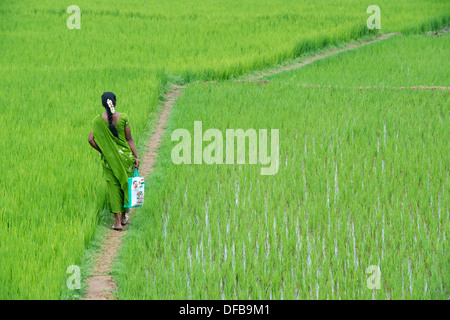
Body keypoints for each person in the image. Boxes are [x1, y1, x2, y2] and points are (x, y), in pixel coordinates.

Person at [88, 92, 140, 231]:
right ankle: (124, 217)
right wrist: (136, 157)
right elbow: (129, 139)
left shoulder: (97, 121)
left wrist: (102, 150)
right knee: (125, 184)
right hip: (126, 159)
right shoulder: (123, 117)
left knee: (113, 188)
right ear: (115, 103)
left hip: (109, 161)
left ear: (102, 104)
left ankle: (117, 223)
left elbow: (90, 140)